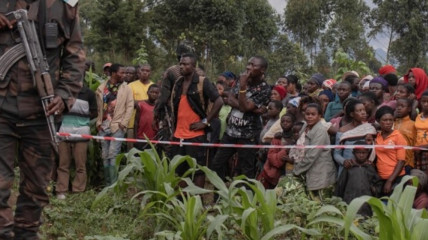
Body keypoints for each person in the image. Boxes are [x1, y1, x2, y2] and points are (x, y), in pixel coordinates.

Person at [0, 1, 85, 238]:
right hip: (1, 112)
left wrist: (64, 94)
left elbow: (75, 55)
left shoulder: (65, 5)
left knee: (36, 189)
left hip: (42, 112)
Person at [211, 56, 271, 180]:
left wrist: (242, 89)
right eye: (248, 64)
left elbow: (241, 105)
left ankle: (245, 198)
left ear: (262, 70)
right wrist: (252, 108)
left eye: (253, 65)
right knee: (216, 164)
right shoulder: (240, 79)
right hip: (230, 133)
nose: (248, 67)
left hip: (248, 136)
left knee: (246, 171)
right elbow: (229, 98)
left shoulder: (264, 89)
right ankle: (220, 196)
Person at [169, 53, 223, 188]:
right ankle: (182, 200)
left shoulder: (202, 82)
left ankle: (197, 199)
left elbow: (219, 101)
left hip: (196, 136)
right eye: (180, 63)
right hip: (178, 135)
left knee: (198, 170)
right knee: (180, 170)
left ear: (193, 66)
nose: (182, 66)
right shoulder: (178, 83)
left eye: (185, 64)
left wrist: (205, 121)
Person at [56, 82, 97, 200]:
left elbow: (95, 112)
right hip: (64, 132)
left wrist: (81, 117)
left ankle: (78, 191)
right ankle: (61, 190)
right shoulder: (63, 92)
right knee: (63, 164)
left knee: (80, 165)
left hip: (81, 133)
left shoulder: (89, 93)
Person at [96, 64, 134, 186]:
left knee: (113, 154)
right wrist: (98, 122)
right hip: (103, 125)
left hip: (117, 126)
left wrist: (124, 123)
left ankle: (113, 186)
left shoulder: (126, 88)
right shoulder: (101, 88)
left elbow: (130, 106)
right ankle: (107, 185)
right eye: (122, 73)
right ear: (113, 73)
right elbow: (99, 108)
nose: (124, 75)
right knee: (105, 155)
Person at [290, 103, 336, 201]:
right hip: (307, 171)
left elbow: (312, 155)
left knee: (322, 206)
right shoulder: (305, 126)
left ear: (319, 116)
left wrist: (297, 171)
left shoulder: (320, 130)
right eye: (307, 114)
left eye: (313, 114)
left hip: (320, 174)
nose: (310, 117)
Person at [335, 141, 383, 216]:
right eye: (358, 153)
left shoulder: (370, 168)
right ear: (353, 153)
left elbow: (378, 184)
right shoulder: (349, 168)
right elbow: (340, 185)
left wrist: (374, 189)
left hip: (366, 202)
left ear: (368, 153)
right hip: (350, 200)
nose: (361, 155)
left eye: (364, 153)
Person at [333, 99, 376, 176]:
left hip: (364, 169)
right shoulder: (342, 131)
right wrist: (344, 161)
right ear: (352, 114)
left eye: (363, 110)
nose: (363, 112)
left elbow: (373, 151)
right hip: (347, 170)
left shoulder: (369, 129)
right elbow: (336, 154)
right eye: (359, 111)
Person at [257, 113, 295, 189]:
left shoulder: (295, 138)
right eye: (283, 121)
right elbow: (272, 158)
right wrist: (285, 151)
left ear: (293, 123)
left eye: (288, 121)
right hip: (273, 173)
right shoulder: (277, 138)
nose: (285, 123)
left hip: (290, 173)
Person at [375, 106, 406, 195]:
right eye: (384, 120)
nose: (388, 123)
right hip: (381, 178)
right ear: (378, 121)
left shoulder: (398, 136)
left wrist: (390, 181)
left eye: (390, 120)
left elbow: (401, 161)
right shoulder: (377, 136)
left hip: (395, 178)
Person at [127, 64, 154, 150]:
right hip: (132, 123)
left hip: (150, 125)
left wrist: (139, 102)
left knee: (150, 150)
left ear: (150, 73)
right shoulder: (131, 86)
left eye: (147, 71)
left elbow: (156, 103)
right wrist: (147, 102)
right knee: (132, 150)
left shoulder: (153, 86)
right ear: (139, 72)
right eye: (143, 70)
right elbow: (129, 102)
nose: (145, 73)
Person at [134, 84, 160, 150]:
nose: (154, 94)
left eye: (156, 93)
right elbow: (136, 122)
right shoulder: (141, 105)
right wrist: (135, 137)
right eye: (152, 92)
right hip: (141, 137)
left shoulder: (159, 107)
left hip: (153, 138)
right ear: (147, 93)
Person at [394, 98, 416, 173]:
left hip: (407, 163)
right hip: (392, 161)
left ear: (409, 109)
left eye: (402, 106)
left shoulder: (413, 125)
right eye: (397, 106)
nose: (399, 108)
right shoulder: (392, 123)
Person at [414, 91, 428, 175]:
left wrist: (422, 147)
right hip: (418, 153)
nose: (426, 104)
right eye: (423, 101)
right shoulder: (418, 116)